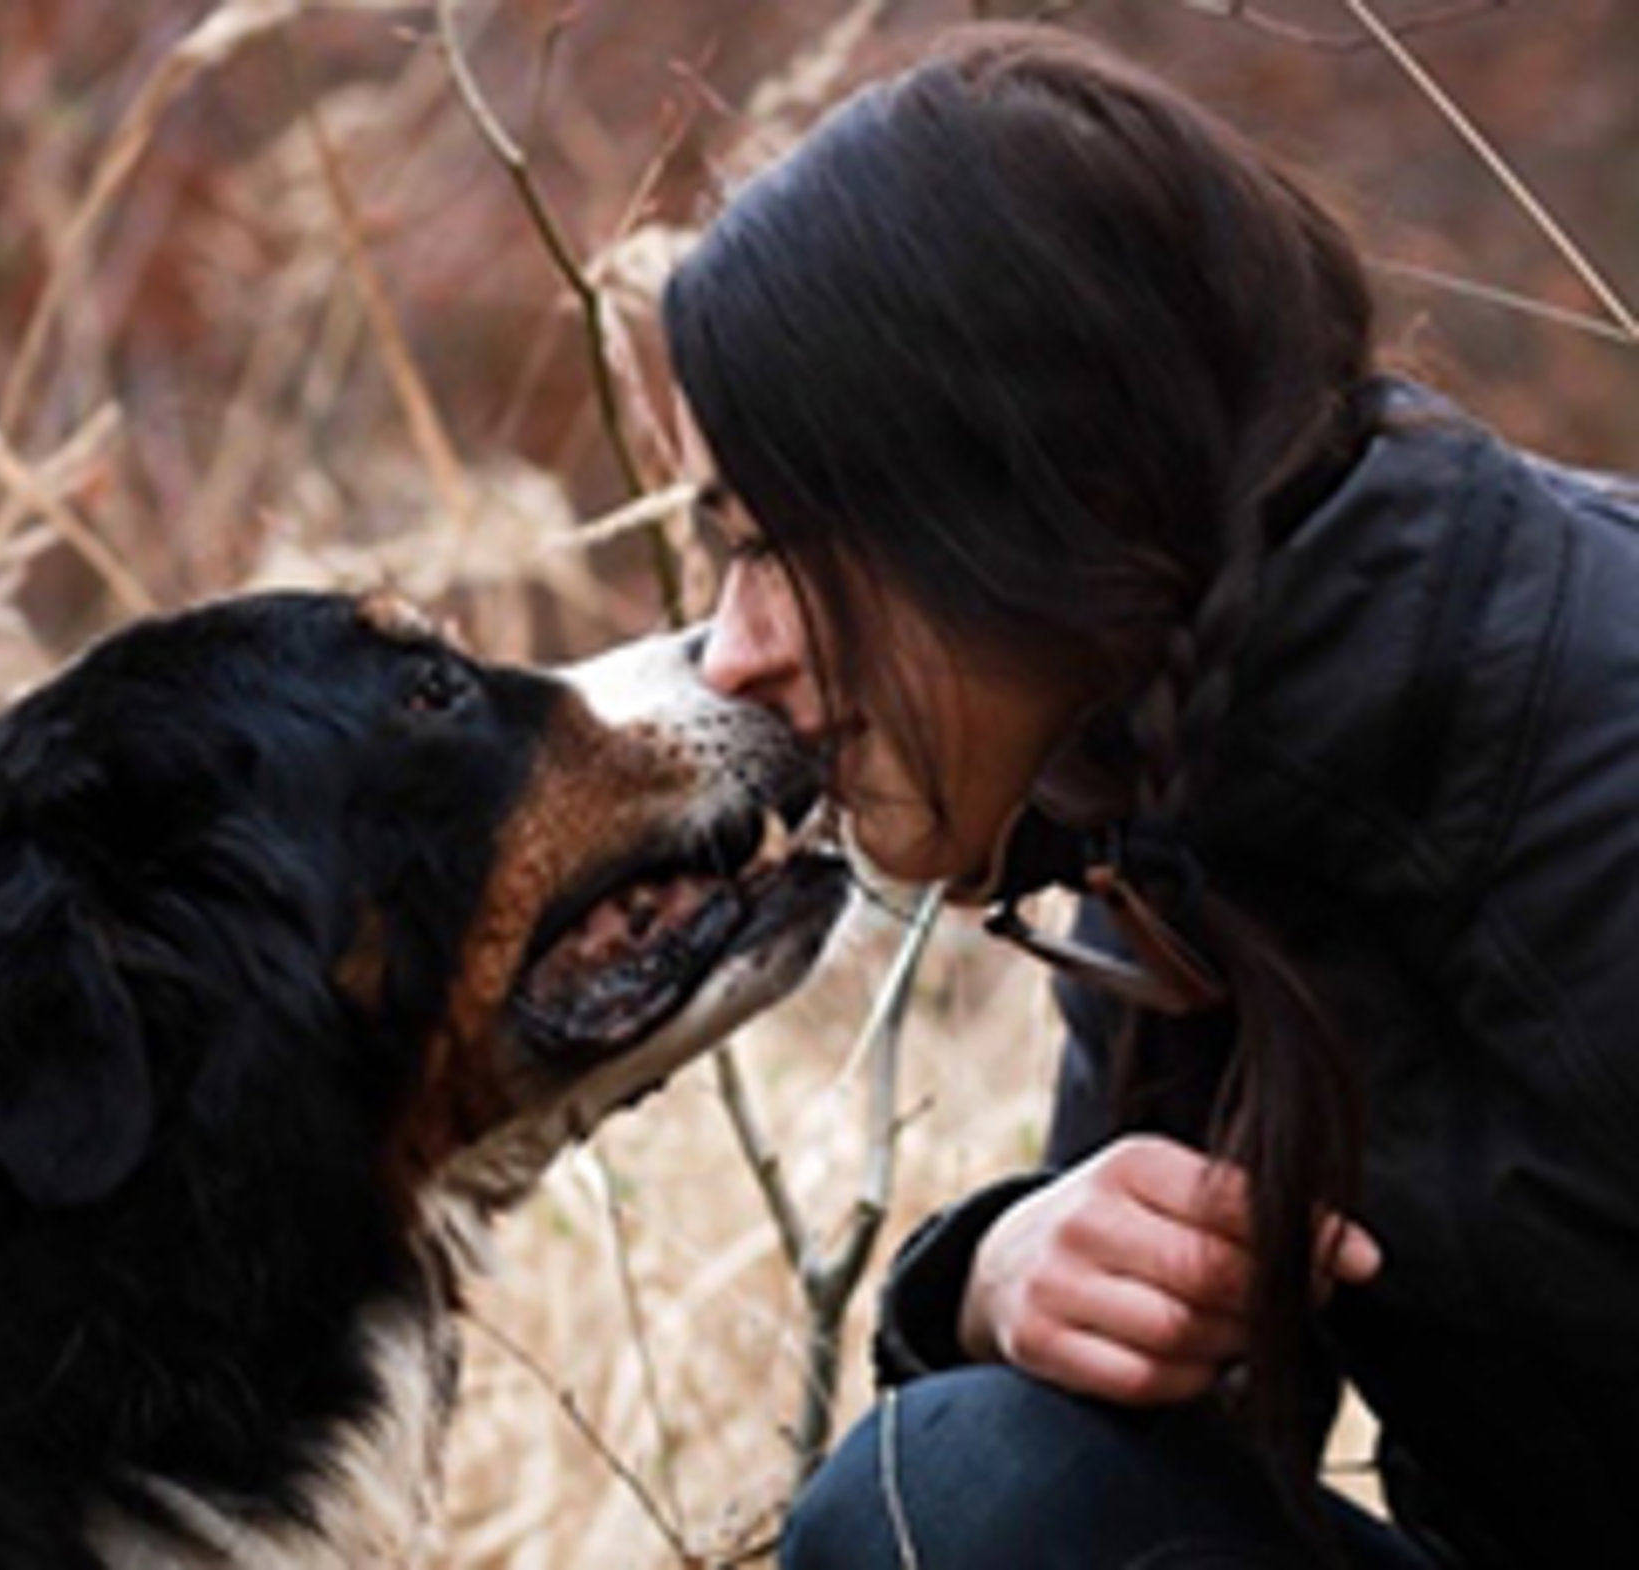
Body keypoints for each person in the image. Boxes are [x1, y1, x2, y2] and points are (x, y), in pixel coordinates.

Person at [663, 21, 1639, 1570]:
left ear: (1034, 493)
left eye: (780, 544)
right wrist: (998, 1279)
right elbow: (1092, 1485)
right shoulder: (1170, 795)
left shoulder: (1599, 753)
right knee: (960, 1493)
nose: (731, 656)